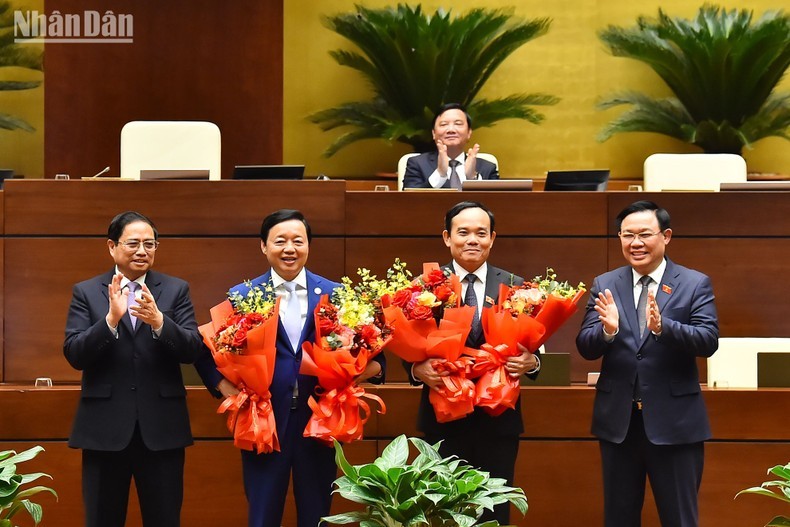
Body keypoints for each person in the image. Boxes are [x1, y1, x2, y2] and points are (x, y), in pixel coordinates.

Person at [196, 209, 385, 527]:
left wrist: (349, 376)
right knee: (262, 513)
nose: (289, 248)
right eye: (279, 240)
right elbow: (206, 351)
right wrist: (226, 389)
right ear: (263, 246)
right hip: (265, 421)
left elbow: (376, 357)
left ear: (308, 245)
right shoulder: (243, 296)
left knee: (317, 513)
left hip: (319, 420)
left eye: (298, 240)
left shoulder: (335, 294)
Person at [576, 200, 719, 527]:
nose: (635, 243)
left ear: (666, 236)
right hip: (619, 426)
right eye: (627, 235)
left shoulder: (694, 283)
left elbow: (708, 341)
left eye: (644, 234)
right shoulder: (605, 283)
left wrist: (664, 328)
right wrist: (607, 332)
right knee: (619, 518)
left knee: (680, 518)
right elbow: (585, 346)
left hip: (675, 425)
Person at [64, 211, 205, 527]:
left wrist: (159, 323)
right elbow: (74, 354)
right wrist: (110, 321)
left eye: (150, 244)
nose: (143, 251)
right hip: (104, 430)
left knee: (164, 519)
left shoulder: (174, 289)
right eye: (134, 244)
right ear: (112, 246)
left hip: (162, 429)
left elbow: (193, 348)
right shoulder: (86, 292)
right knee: (102, 519)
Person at [406, 200, 539, 524]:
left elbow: (535, 346)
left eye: (481, 233)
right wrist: (415, 369)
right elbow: (409, 341)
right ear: (447, 238)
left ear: (492, 238)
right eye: (463, 232)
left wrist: (531, 362)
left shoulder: (518, 287)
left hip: (498, 419)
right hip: (444, 416)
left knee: (495, 509)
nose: (472, 240)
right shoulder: (424, 288)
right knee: (442, 508)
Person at [402, 103, 499, 189]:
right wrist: (439, 174)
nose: (451, 130)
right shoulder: (417, 164)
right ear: (434, 133)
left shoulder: (488, 168)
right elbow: (408, 201)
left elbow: (498, 203)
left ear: (469, 132)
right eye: (444, 124)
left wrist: (473, 178)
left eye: (458, 124)